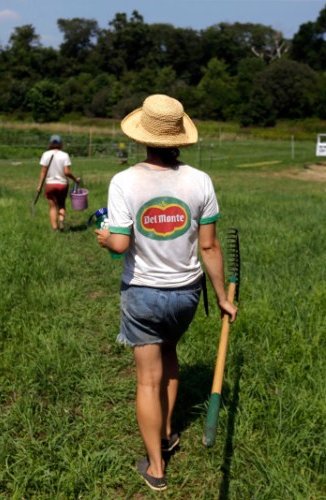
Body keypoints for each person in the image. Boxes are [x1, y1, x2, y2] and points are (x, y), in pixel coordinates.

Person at [94, 94, 237, 492]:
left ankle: (156, 467)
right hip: (186, 294)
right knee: (171, 355)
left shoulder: (124, 181)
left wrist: (106, 238)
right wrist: (222, 296)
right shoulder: (200, 181)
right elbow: (208, 247)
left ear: (143, 136)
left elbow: (121, 245)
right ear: (179, 137)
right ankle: (170, 431)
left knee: (147, 380)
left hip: (142, 294)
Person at [37, 135, 81, 232]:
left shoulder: (46, 154)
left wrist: (39, 185)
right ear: (61, 144)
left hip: (50, 184)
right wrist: (75, 179)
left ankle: (54, 228)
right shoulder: (64, 155)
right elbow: (67, 172)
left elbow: (43, 171)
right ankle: (61, 221)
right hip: (62, 184)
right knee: (61, 204)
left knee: (52, 206)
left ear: (50, 143)